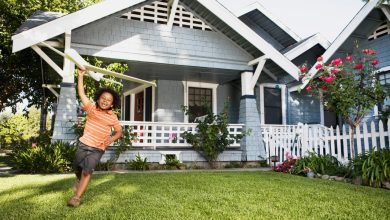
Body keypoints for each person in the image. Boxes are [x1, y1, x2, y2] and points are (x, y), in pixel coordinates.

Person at [67, 67, 122, 207]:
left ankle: (77, 198)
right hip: (84, 144)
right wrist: (80, 76)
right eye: (103, 98)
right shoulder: (91, 109)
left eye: (108, 100)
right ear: (98, 99)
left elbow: (119, 132)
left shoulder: (113, 117)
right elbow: (81, 93)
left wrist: (111, 139)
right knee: (77, 167)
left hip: (98, 148)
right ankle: (78, 180)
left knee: (87, 171)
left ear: (112, 103)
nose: (105, 101)